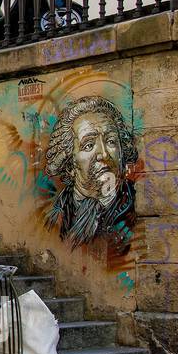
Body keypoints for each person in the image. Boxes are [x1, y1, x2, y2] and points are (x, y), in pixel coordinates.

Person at [42, 95, 136, 250]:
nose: (104, 154)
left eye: (111, 141)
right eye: (89, 145)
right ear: (70, 165)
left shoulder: (136, 205)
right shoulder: (55, 214)